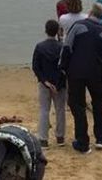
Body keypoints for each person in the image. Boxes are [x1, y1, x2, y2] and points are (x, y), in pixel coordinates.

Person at [59, 3, 102, 154]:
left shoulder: (78, 26)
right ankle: (101, 138)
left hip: (76, 72)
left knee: (77, 105)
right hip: (96, 72)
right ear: (101, 16)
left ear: (90, 12)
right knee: (98, 104)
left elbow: (67, 47)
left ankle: (82, 141)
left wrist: (63, 67)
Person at [32, 20, 66, 148]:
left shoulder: (40, 47)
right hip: (59, 84)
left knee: (44, 110)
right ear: (57, 31)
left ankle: (43, 138)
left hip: (44, 82)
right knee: (60, 110)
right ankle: (60, 137)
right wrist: (57, 84)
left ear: (46, 30)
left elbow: (36, 67)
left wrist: (45, 81)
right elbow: (64, 67)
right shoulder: (62, 47)